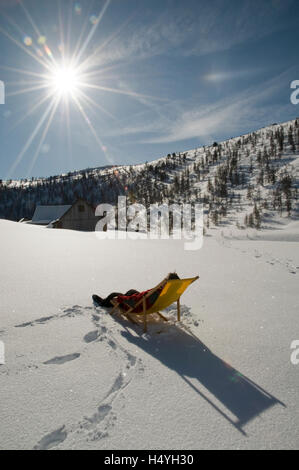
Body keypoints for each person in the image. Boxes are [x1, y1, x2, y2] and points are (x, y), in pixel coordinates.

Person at [92, 272, 180, 308]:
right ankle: (126, 295)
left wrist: (121, 299)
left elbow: (134, 301)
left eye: (165, 279)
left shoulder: (157, 292)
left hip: (138, 306)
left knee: (114, 294)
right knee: (132, 291)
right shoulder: (169, 292)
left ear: (167, 283)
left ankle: (103, 303)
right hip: (148, 302)